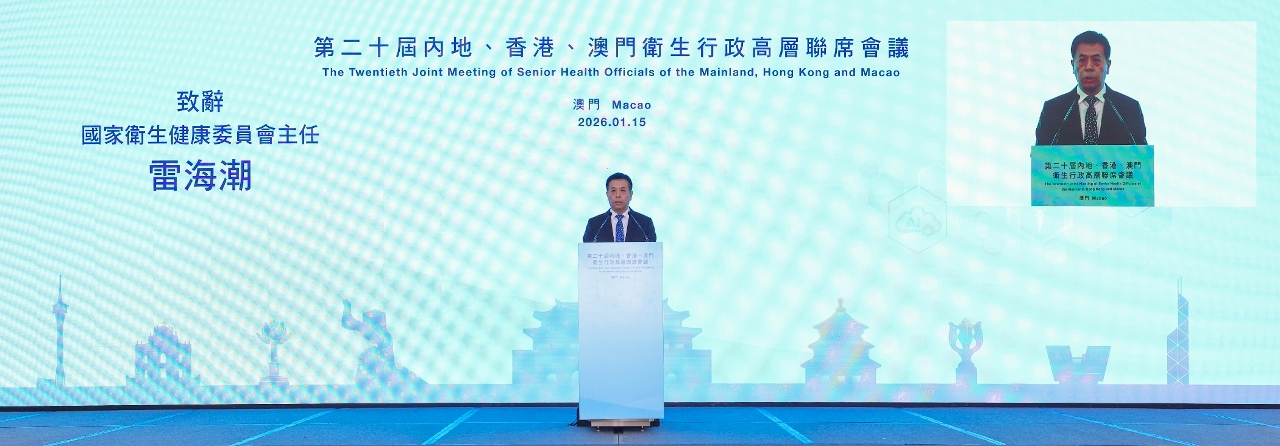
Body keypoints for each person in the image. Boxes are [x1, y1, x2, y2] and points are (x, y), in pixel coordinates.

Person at [1035, 31, 1147, 146]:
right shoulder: (1053, 110)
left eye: (1096, 60)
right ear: (1073, 65)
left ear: (1108, 66)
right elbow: (1041, 154)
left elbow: (1142, 154)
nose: (1089, 67)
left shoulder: (1129, 109)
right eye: (1082, 60)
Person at [582, 172, 657, 243]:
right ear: (607, 194)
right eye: (613, 190)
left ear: (631, 195)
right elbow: (586, 250)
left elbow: (652, 250)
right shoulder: (594, 224)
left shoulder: (645, 224)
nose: (618, 195)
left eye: (623, 190)